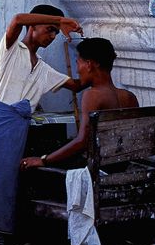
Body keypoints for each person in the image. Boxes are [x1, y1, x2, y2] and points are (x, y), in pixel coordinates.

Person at [0, 4, 86, 245]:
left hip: (18, 129)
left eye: (55, 33)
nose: (52, 36)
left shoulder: (43, 69)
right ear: (34, 26)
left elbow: (75, 85)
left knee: (6, 188)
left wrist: (91, 67)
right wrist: (61, 19)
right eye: (48, 30)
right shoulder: (10, 49)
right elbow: (18, 19)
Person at [20, 37, 138, 171]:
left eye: (78, 63)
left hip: (100, 169)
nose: (77, 70)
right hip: (121, 165)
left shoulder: (92, 95)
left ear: (89, 64)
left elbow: (82, 141)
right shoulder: (129, 97)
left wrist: (43, 160)